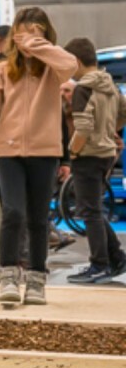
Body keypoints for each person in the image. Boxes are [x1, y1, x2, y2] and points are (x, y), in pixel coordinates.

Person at [0, 7, 77, 305]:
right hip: (9, 151)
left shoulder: (53, 69)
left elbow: (71, 64)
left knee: (39, 219)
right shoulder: (3, 69)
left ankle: (37, 280)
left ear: (45, 37)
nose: (28, 42)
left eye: (36, 34)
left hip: (45, 152)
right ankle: (8, 275)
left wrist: (35, 45)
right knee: (13, 212)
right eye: (23, 35)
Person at [63, 38, 126, 284]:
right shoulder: (109, 84)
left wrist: (73, 152)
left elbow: (83, 127)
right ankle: (117, 257)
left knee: (89, 212)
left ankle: (99, 264)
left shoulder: (82, 88)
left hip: (87, 155)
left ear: (76, 61)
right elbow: (123, 113)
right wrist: (108, 130)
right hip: (107, 154)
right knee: (94, 209)